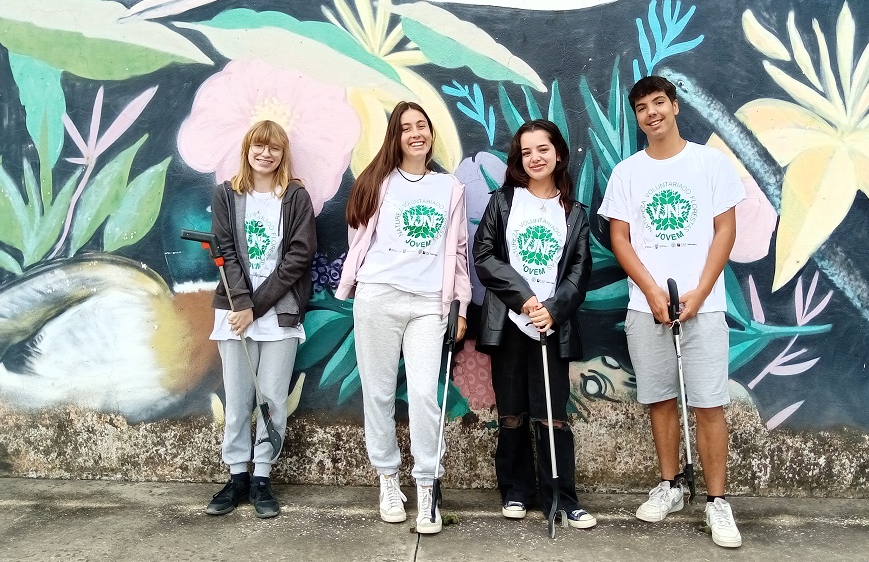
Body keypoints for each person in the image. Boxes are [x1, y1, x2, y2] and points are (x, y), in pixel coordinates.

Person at [598, 76, 746, 548]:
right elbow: (619, 238)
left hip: (703, 305)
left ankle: (717, 502)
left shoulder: (709, 163)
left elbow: (726, 230)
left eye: (659, 103)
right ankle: (670, 486)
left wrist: (700, 293)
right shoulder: (627, 173)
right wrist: (652, 292)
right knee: (660, 399)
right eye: (642, 108)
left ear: (675, 106)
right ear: (636, 116)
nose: (651, 113)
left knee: (708, 403)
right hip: (647, 308)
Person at [336, 100, 470, 534]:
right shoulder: (378, 182)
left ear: (431, 135)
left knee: (425, 397)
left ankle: (428, 486)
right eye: (406, 127)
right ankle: (388, 480)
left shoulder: (450, 188)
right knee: (377, 393)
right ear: (394, 136)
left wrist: (460, 306)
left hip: (429, 303)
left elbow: (461, 253)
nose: (416, 133)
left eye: (422, 126)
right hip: (378, 297)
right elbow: (359, 239)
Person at [473, 119, 596, 529]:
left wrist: (554, 308)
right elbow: (485, 256)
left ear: (558, 153)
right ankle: (515, 490)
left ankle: (560, 496)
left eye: (542, 149)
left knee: (551, 414)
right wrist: (525, 299)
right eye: (526, 152)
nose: (535, 158)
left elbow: (579, 270)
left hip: (551, 325)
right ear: (518, 160)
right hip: (510, 323)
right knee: (511, 411)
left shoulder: (574, 212)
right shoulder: (504, 202)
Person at [205, 119, 317, 519]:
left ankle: (262, 479)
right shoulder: (226, 195)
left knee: (272, 400)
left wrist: (257, 304)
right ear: (247, 150)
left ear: (283, 153)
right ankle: (236, 476)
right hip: (235, 315)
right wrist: (241, 304)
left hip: (280, 313)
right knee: (237, 401)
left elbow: (299, 256)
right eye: (258, 146)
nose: (265, 154)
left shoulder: (295, 197)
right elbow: (226, 253)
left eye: (274, 148)